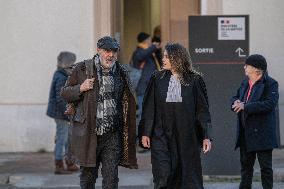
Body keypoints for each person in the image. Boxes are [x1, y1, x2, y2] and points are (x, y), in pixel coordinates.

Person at [61, 36, 137, 189]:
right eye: (107, 51)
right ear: (99, 50)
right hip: (89, 133)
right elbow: (64, 93)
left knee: (111, 180)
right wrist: (80, 88)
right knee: (88, 179)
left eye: (114, 51)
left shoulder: (121, 72)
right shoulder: (82, 68)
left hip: (112, 136)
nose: (111, 55)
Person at [139, 43, 212, 189]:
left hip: (187, 137)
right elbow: (149, 108)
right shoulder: (157, 78)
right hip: (161, 135)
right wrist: (145, 132)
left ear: (177, 58)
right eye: (164, 56)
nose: (163, 59)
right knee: (163, 175)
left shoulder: (195, 80)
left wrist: (206, 135)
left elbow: (202, 110)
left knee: (187, 177)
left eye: (167, 56)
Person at [231, 54, 279, 189]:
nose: (244, 67)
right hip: (246, 134)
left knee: (266, 169)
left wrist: (245, 106)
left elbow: (269, 104)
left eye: (248, 65)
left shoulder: (271, 84)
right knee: (246, 169)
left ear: (257, 70)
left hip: (263, 134)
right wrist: (235, 102)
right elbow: (235, 97)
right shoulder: (245, 82)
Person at [47, 51, 79, 174]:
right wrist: (67, 112)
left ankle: (69, 162)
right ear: (67, 63)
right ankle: (59, 165)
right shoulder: (61, 76)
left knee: (67, 138)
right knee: (62, 138)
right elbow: (61, 98)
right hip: (61, 113)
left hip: (63, 113)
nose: (74, 65)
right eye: (72, 63)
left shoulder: (63, 74)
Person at [132, 32, 161, 131]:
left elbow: (160, 63)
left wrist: (157, 50)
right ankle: (142, 136)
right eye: (149, 40)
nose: (151, 42)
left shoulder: (150, 52)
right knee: (143, 113)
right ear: (144, 41)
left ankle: (150, 135)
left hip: (152, 87)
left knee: (154, 112)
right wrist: (153, 47)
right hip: (143, 88)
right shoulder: (138, 51)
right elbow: (141, 56)